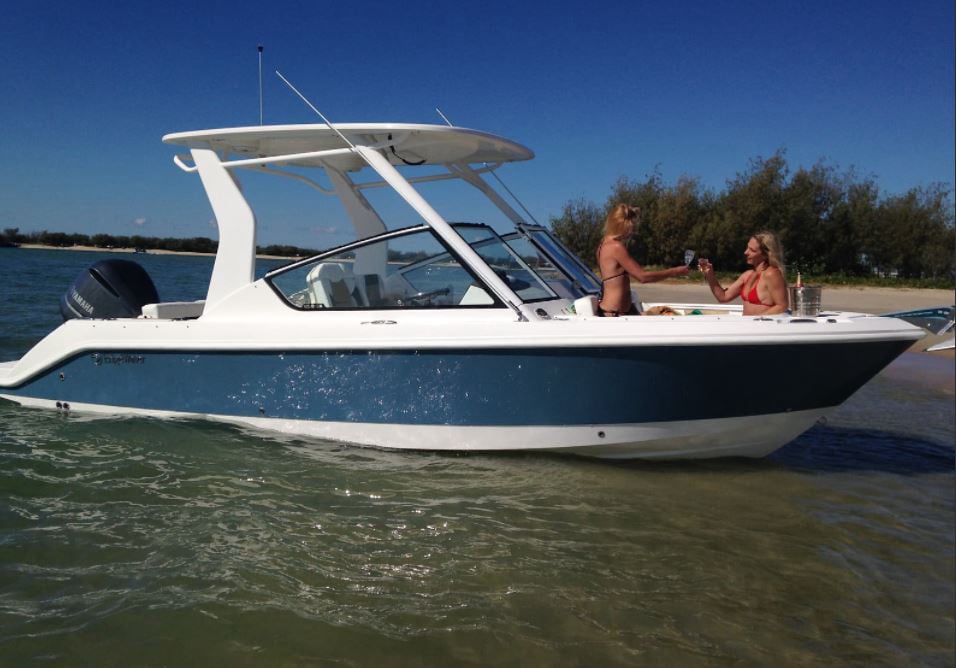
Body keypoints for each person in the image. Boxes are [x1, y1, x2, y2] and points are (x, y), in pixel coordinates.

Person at [595, 204, 690, 316]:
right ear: (621, 225)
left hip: (616, 311)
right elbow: (643, 277)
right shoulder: (616, 247)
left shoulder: (602, 246)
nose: (631, 232)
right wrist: (674, 272)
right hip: (615, 314)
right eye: (630, 227)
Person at [698, 231, 789, 315]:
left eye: (752, 250)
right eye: (747, 248)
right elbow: (723, 297)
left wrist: (757, 320)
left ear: (766, 254)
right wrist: (709, 274)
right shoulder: (747, 275)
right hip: (747, 328)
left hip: (762, 328)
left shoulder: (771, 274)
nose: (746, 252)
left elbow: (782, 306)